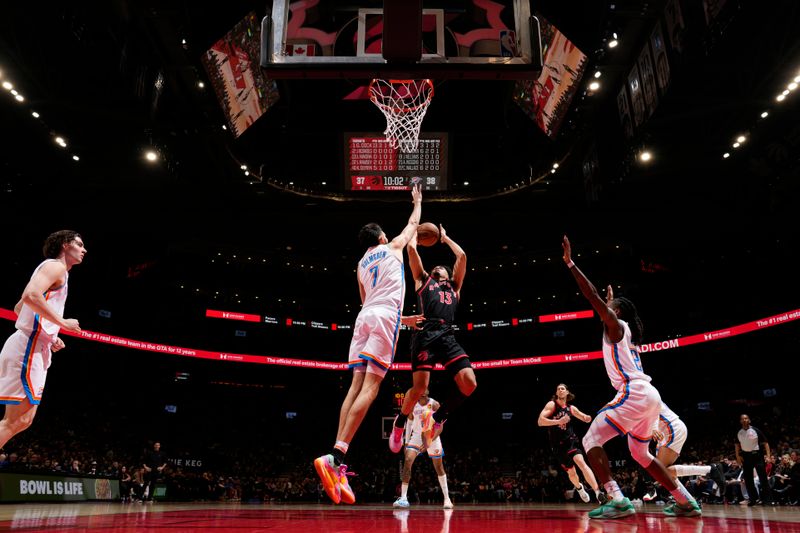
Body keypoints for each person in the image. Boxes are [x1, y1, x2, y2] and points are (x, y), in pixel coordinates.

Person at [561, 235, 701, 518]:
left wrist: (570, 263)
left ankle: (617, 498)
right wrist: (610, 303)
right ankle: (685, 500)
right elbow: (605, 308)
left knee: (590, 440)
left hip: (633, 392)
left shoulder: (616, 325)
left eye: (609, 308)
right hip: (649, 395)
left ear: (618, 312)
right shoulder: (623, 332)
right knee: (641, 454)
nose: (604, 311)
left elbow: (592, 296)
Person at [314, 184, 424, 505]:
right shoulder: (391, 247)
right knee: (373, 388)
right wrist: (417, 202)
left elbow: (368, 303)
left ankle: (337, 458)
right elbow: (414, 226)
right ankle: (336, 456)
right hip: (384, 318)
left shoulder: (360, 266)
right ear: (380, 237)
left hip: (364, 320)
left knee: (355, 386)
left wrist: (406, 320)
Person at [389, 225, 476, 453]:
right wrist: (415, 236)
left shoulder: (455, 288)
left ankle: (439, 416)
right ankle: (400, 423)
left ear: (448, 275)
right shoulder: (424, 280)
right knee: (420, 388)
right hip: (425, 333)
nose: (437, 268)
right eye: (435, 267)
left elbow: (462, 256)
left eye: (441, 268)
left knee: (469, 383)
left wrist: (445, 238)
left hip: (447, 334)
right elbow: (410, 250)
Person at [0, 230, 85, 449]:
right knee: (15, 421)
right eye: (80, 244)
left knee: (23, 421)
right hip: (27, 347)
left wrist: (50, 333)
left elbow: (20, 308)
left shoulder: (58, 273)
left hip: (34, 345)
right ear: (66, 244)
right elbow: (30, 296)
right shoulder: (55, 266)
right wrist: (63, 322)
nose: (84, 250)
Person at [642, 400, 725, 501]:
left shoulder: (643, 393)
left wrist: (654, 428)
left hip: (671, 428)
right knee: (667, 472)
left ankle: (711, 470)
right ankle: (687, 502)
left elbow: (654, 409)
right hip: (664, 434)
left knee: (659, 471)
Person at [537, 383, 604, 503]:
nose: (560, 390)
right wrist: (558, 421)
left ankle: (598, 492)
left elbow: (583, 416)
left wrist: (587, 418)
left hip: (570, 441)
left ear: (567, 392)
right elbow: (540, 421)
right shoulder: (552, 405)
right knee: (572, 473)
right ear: (556, 393)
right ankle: (579, 488)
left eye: (562, 388)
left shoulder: (571, 408)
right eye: (558, 389)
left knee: (581, 463)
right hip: (557, 446)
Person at [393, 391, 454, 509]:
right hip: (416, 436)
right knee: (408, 460)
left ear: (428, 391)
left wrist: (429, 441)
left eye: (425, 390)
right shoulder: (413, 404)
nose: (423, 392)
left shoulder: (435, 404)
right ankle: (404, 498)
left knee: (439, 467)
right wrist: (406, 442)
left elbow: (440, 426)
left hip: (432, 436)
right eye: (421, 390)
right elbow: (409, 422)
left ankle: (447, 499)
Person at [735, 413, 773, 506]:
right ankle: (753, 499)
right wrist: (737, 456)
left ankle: (767, 500)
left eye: (746, 418)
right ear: (740, 421)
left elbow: (766, 443)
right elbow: (736, 445)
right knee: (748, 479)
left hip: (757, 455)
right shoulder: (739, 432)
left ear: (749, 420)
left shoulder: (755, 430)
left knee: (763, 478)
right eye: (742, 419)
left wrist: (768, 456)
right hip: (746, 457)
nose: (744, 420)